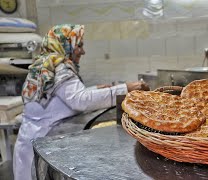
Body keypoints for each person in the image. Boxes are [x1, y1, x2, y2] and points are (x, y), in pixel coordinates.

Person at [13, 24, 149, 180]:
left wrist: (96, 88)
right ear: (65, 43)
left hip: (30, 137)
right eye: (79, 45)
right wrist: (125, 88)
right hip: (43, 138)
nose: (83, 51)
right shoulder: (60, 67)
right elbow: (80, 101)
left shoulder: (45, 63)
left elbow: (61, 96)